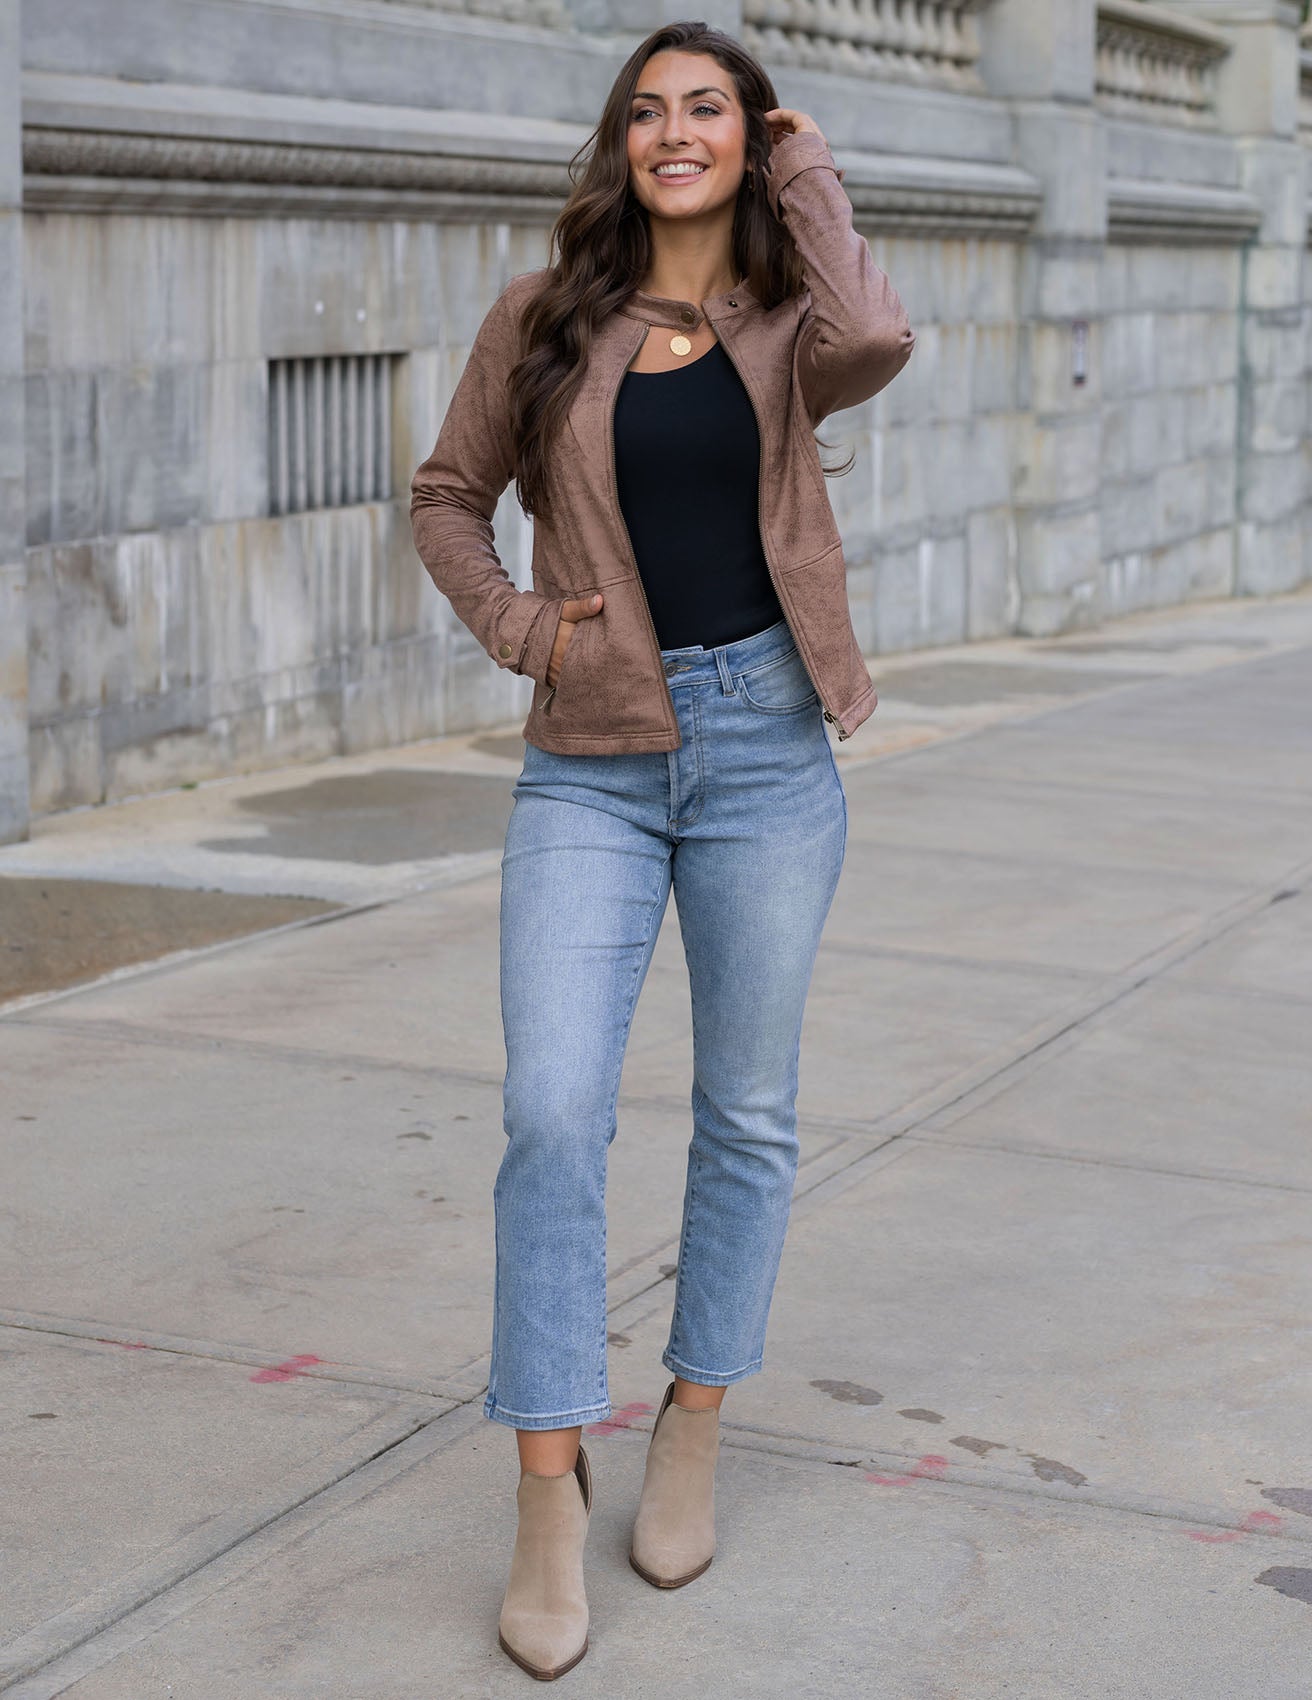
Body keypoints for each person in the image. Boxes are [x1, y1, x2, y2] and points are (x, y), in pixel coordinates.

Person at [409, 18, 914, 1681]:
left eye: (708, 111)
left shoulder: (789, 324)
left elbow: (881, 331)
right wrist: (519, 630)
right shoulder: (549, 316)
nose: (674, 134)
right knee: (551, 1111)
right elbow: (443, 495)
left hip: (769, 749)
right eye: (649, 112)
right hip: (592, 767)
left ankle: (693, 1419)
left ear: (748, 135)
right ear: (617, 140)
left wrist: (807, 157)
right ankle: (550, 1482)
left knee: (747, 1115)